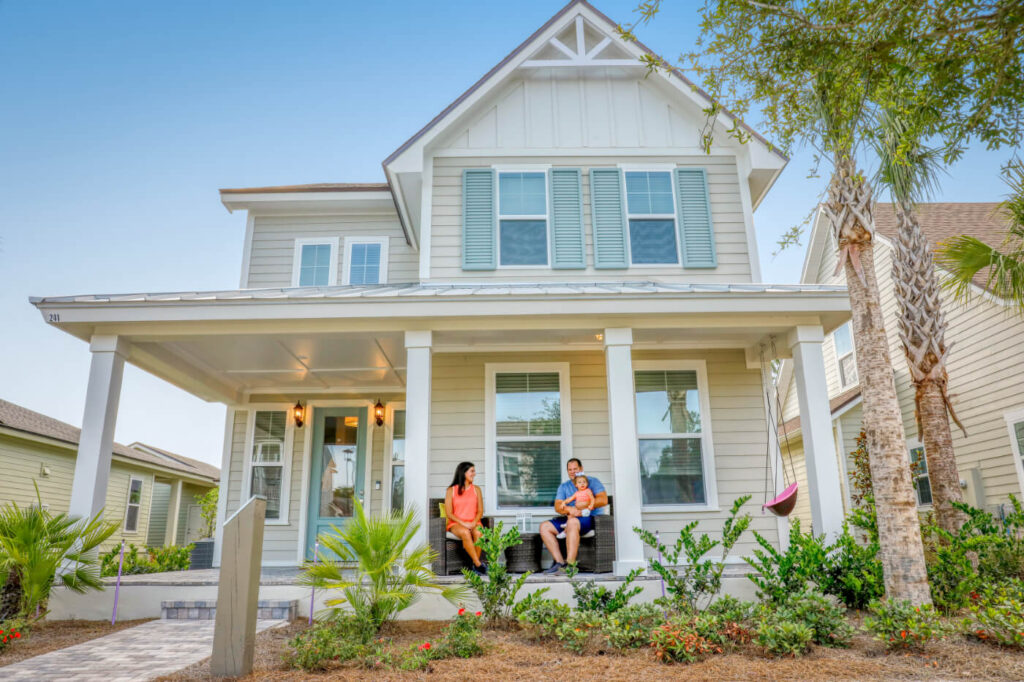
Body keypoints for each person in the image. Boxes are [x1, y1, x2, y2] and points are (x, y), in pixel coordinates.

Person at [539, 458, 608, 573]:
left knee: (572, 522)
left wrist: (583, 505)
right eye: (569, 469)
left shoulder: (592, 481)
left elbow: (603, 499)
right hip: (570, 517)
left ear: (581, 469)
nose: (572, 471)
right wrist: (569, 509)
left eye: (575, 469)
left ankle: (571, 565)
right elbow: (557, 506)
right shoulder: (564, 486)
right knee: (545, 527)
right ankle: (560, 563)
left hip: (590, 518)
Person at [445, 461, 487, 575]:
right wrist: (464, 523)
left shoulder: (476, 489)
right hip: (456, 524)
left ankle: (474, 565)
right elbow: (449, 513)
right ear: (463, 472)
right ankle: (478, 565)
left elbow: (480, 511)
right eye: (472, 471)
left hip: (474, 522)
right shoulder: (451, 490)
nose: (474, 474)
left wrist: (473, 522)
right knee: (465, 532)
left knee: (478, 533)